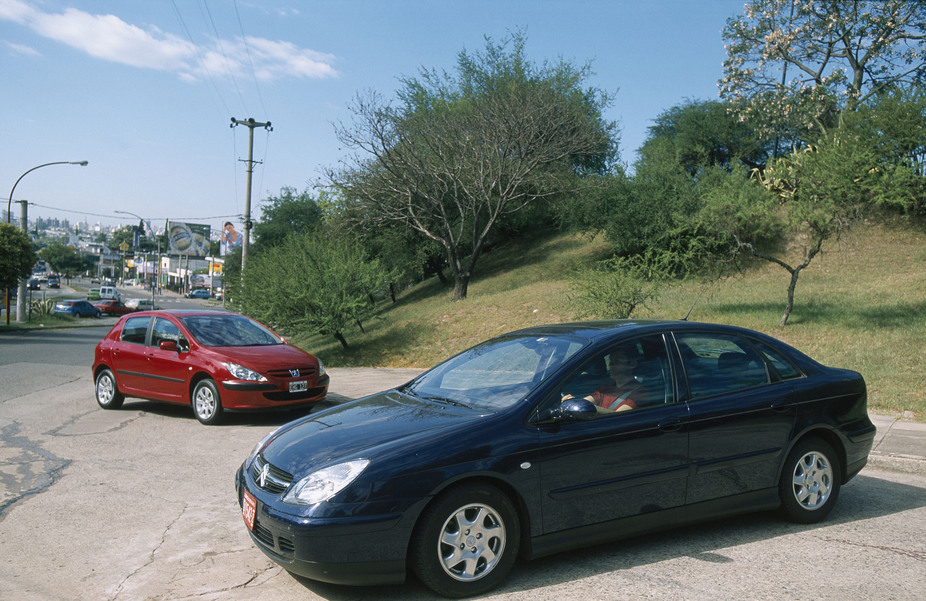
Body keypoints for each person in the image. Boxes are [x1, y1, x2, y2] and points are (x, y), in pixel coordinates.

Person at [563, 347, 651, 412]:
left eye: (617, 361)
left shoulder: (640, 393)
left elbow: (617, 417)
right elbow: (588, 400)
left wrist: (583, 406)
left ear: (632, 364)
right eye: (610, 360)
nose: (611, 365)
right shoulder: (608, 386)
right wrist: (573, 402)